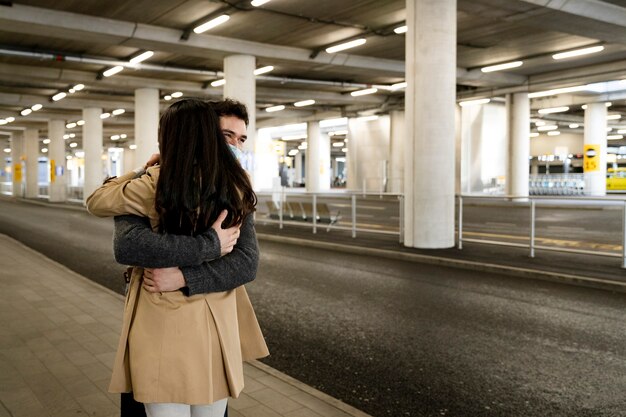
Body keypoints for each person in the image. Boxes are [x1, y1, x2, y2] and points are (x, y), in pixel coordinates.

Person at [86, 99, 267, 417]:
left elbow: (100, 204)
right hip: (216, 316)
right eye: (226, 136)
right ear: (207, 136)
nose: (233, 147)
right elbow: (129, 246)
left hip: (163, 314)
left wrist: (183, 274)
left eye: (240, 139)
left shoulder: (154, 183)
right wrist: (210, 246)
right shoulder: (237, 185)